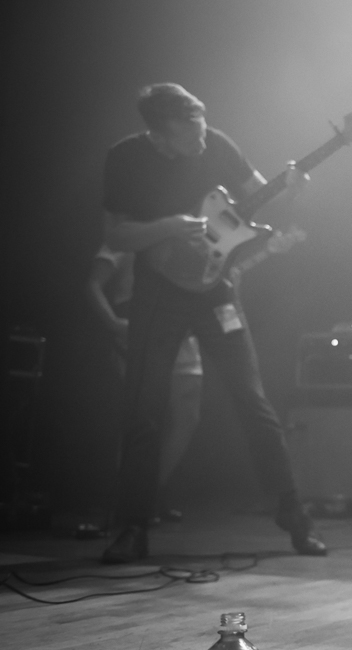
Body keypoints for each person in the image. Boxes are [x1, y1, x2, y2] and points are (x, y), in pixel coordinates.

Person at [100, 82, 325, 563]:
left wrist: (291, 192)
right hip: (157, 293)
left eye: (203, 130)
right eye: (190, 137)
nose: (202, 142)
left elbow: (260, 206)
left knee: (253, 402)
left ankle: (294, 515)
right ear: (159, 137)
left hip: (215, 290)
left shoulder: (218, 143)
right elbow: (116, 234)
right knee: (144, 410)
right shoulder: (125, 158)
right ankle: (132, 527)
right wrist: (170, 226)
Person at [86, 243, 201, 523]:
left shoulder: (189, 230)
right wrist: (113, 323)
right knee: (141, 418)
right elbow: (92, 284)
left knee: (188, 414)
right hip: (140, 324)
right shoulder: (128, 233)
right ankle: (129, 500)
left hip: (180, 327)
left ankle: (147, 493)